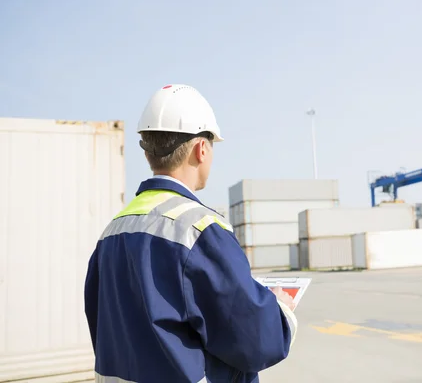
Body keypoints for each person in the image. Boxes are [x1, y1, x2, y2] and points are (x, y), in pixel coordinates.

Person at [84, 84, 298, 383]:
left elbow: (102, 327)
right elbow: (256, 342)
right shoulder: (201, 230)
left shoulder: (113, 231)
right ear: (201, 149)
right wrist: (281, 312)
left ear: (147, 151)